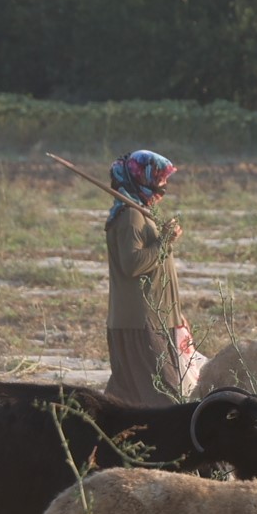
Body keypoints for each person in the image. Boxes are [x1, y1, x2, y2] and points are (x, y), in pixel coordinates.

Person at [102, 148, 186, 405]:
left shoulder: (137, 211)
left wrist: (175, 315)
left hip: (151, 319)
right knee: (165, 401)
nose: (164, 185)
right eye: (159, 179)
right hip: (142, 324)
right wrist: (164, 241)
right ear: (142, 179)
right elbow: (133, 265)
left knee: (126, 402)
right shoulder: (131, 217)